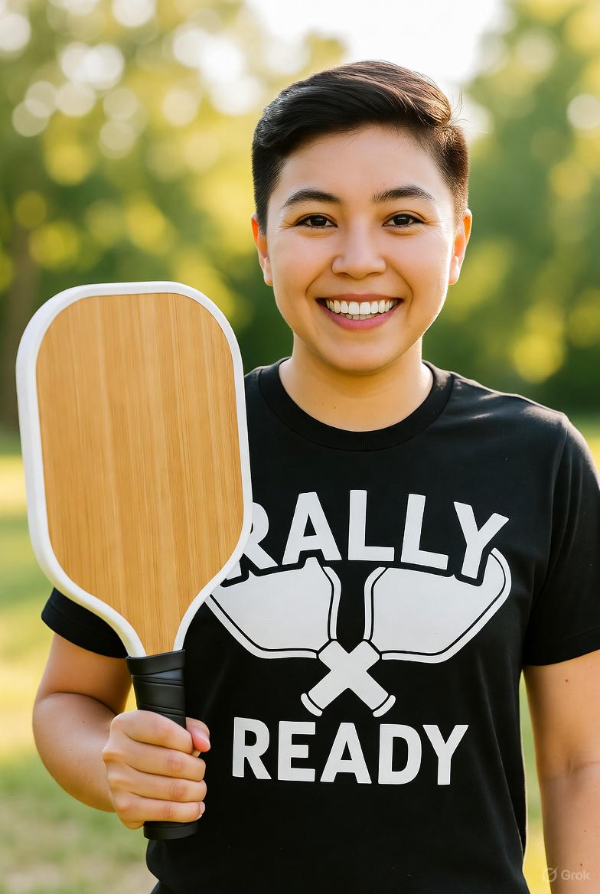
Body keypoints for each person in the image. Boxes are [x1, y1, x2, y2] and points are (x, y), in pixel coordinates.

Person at [33, 61, 600, 894]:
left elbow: (579, 757)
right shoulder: (170, 444)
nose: (358, 259)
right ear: (265, 245)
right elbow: (67, 704)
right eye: (316, 219)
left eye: (402, 216)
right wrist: (110, 763)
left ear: (458, 241)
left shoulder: (539, 457)